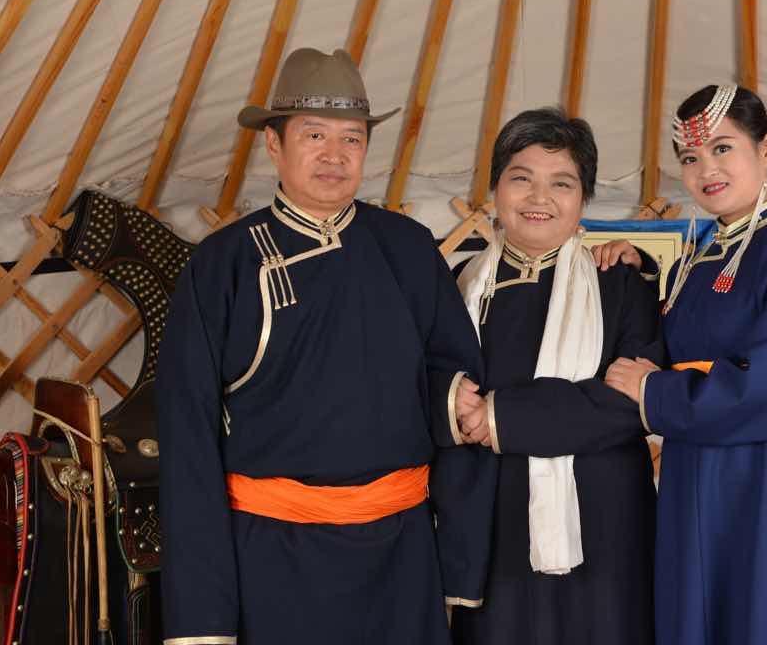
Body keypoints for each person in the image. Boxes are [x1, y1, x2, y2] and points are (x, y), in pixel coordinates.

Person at [156, 47, 496, 645]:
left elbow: (459, 384)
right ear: (273, 144)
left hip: (402, 557)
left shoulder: (409, 249)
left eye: (352, 139)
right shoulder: (223, 265)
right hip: (272, 560)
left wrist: (459, 560)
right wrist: (203, 618)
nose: (334, 155)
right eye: (314, 135)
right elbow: (188, 441)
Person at [602, 85, 767, 644]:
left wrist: (655, 392)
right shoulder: (693, 263)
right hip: (695, 463)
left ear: (766, 150)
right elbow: (680, 344)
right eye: (690, 157)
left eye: (722, 148)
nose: (706, 169)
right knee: (699, 615)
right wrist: (637, 275)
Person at [450, 107, 664, 644]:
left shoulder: (621, 285)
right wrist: (451, 402)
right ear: (495, 189)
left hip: (602, 523)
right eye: (521, 178)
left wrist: (500, 415)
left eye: (561, 184)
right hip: (489, 518)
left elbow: (629, 404)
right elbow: (429, 381)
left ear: (583, 198)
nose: (539, 198)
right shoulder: (456, 287)